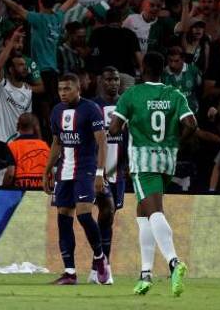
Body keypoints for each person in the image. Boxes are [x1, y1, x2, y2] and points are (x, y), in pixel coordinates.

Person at [106, 51, 197, 297]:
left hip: (143, 161)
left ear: (143, 68)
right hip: (167, 160)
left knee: (154, 210)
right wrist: (175, 142)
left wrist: (112, 127)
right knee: (143, 213)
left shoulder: (131, 94)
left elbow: (114, 127)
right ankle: (145, 274)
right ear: (163, 69)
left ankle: (174, 262)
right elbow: (191, 125)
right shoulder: (174, 94)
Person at [44, 73, 110, 286]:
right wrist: (47, 170)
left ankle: (100, 259)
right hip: (64, 170)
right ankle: (70, 272)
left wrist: (100, 173)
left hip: (86, 169)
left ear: (78, 88)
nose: (63, 93)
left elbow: (102, 141)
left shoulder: (90, 109)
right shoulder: (56, 111)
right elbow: (56, 142)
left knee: (83, 214)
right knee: (63, 216)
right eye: (60, 89)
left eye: (67, 89)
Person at [93, 67, 127, 280]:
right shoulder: (93, 106)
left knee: (109, 218)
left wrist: (130, 162)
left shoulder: (126, 104)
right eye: (109, 79)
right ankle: (102, 266)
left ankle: (99, 267)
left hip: (119, 171)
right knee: (105, 213)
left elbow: (131, 135)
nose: (113, 83)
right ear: (100, 81)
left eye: (116, 79)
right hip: (97, 171)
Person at [3, 113, 50, 189]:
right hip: (41, 191)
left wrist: (3, 190)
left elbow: (10, 174)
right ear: (35, 127)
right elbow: (51, 173)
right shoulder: (45, 146)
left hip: (21, 191)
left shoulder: (12, 146)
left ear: (18, 126)